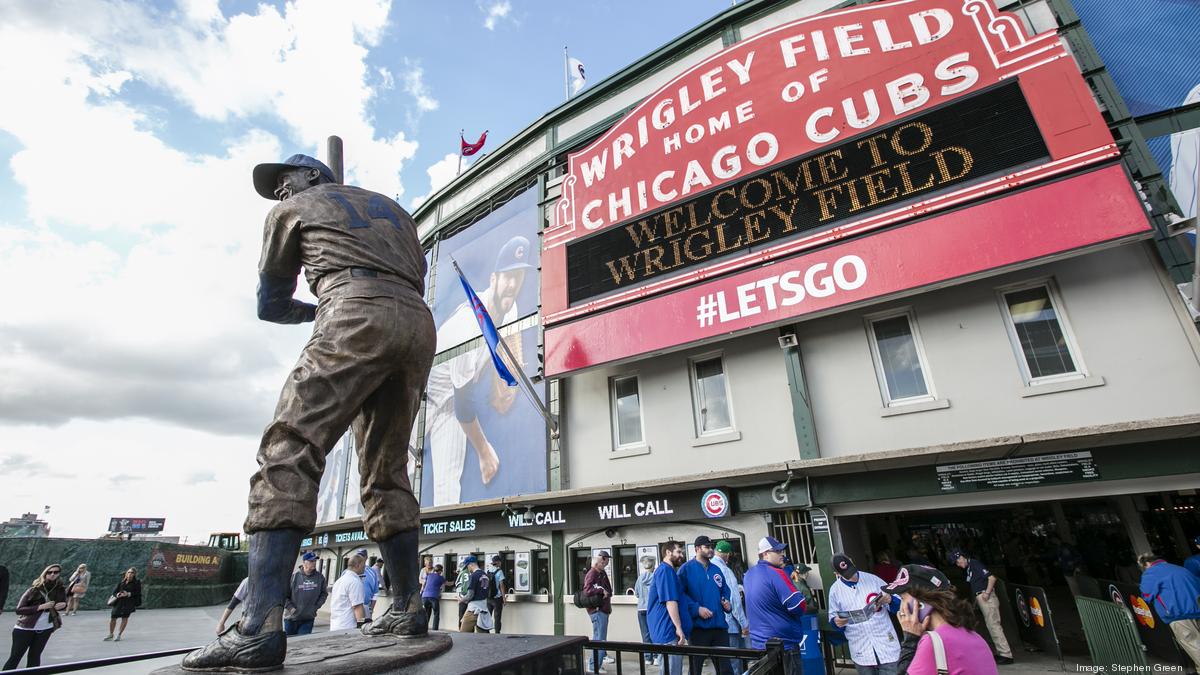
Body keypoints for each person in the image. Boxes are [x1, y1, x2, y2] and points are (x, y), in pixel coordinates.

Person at [182, 153, 435, 671]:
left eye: (285, 180)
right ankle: (409, 607)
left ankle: (256, 628)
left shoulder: (298, 206)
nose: (280, 191)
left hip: (352, 308)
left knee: (289, 447)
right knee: (386, 469)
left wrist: (317, 310)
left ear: (314, 177)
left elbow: (271, 302)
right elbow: (414, 276)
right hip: (415, 323)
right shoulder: (393, 210)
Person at [424, 235, 534, 506]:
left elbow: (509, 348)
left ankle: (440, 550)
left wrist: (509, 378)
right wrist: (485, 452)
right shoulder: (467, 326)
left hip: (451, 400)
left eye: (518, 277)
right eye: (507, 277)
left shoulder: (511, 307)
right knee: (392, 464)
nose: (512, 285)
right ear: (493, 279)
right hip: (421, 393)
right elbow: (464, 404)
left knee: (448, 489)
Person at [886, 564, 999, 675]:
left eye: (902, 598)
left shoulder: (933, 643)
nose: (901, 608)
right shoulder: (976, 637)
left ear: (921, 603)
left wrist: (910, 640)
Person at [744, 537, 809, 675]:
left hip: (759, 645)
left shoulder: (749, 574)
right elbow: (798, 606)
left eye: (782, 550)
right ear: (765, 554)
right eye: (777, 551)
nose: (782, 554)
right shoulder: (777, 573)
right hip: (784, 645)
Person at [827, 553, 901, 675]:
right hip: (861, 649)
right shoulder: (835, 591)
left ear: (852, 561)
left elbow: (898, 606)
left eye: (851, 571)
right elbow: (833, 619)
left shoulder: (874, 580)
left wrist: (890, 600)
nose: (852, 576)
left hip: (886, 644)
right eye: (847, 574)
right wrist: (837, 622)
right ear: (837, 574)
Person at [678, 536, 731, 675]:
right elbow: (680, 596)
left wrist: (726, 602)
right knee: (695, 669)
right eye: (707, 547)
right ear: (697, 549)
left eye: (711, 547)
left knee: (725, 669)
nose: (711, 550)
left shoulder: (716, 569)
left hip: (719, 627)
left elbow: (725, 589)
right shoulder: (685, 570)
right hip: (698, 629)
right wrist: (696, 609)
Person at [951, 551, 1014, 665]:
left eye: (957, 561)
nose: (957, 564)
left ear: (962, 557)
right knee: (991, 625)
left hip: (986, 596)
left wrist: (987, 593)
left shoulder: (974, 564)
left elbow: (991, 578)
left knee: (994, 624)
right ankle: (1002, 652)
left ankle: (1006, 654)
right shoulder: (969, 568)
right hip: (980, 597)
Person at [1138, 552, 1200, 668]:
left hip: (1178, 615)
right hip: (1197, 610)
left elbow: (1146, 595)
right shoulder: (1178, 568)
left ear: (1147, 563)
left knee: (1194, 645)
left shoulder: (1151, 572)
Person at [4, 564, 67, 670]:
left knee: (35, 658)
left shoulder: (60, 589)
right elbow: (19, 610)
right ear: (45, 573)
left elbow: (63, 603)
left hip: (45, 628)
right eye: (50, 572)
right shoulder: (34, 589)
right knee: (15, 657)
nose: (52, 574)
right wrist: (40, 607)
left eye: (56, 572)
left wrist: (63, 605)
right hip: (25, 628)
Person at [647, 542, 692, 675]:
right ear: (668, 552)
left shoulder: (669, 571)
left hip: (668, 629)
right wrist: (678, 627)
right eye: (678, 552)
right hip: (667, 630)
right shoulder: (665, 570)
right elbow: (670, 601)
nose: (681, 555)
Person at [712, 540, 750, 673]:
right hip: (730, 625)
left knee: (722, 662)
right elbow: (734, 600)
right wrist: (744, 623)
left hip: (714, 624)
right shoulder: (725, 570)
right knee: (735, 661)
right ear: (728, 555)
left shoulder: (708, 567)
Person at [584, 551, 614, 673]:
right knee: (600, 639)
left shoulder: (601, 573)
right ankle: (593, 666)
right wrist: (601, 591)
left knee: (600, 638)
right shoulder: (592, 573)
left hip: (603, 609)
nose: (607, 563)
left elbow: (609, 590)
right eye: (606, 560)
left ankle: (595, 663)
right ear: (602, 559)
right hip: (597, 610)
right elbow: (587, 590)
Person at [284, 552, 327, 636]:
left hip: (308, 618)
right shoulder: (294, 577)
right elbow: (284, 596)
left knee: (303, 642)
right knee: (290, 643)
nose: (314, 563)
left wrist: (316, 606)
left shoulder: (320, 577)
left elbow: (324, 594)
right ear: (304, 563)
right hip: (291, 619)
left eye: (315, 561)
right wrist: (291, 608)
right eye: (311, 561)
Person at [329, 553, 369, 631]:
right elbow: (357, 607)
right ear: (358, 565)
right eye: (364, 564)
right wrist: (361, 625)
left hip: (336, 625)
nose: (365, 567)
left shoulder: (339, 580)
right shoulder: (354, 582)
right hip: (348, 627)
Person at [105, 567, 142, 642]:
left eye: (132, 573)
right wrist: (118, 594)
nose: (130, 574)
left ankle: (119, 635)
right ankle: (111, 634)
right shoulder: (122, 582)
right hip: (119, 602)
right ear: (126, 573)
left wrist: (128, 594)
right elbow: (114, 592)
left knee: (124, 618)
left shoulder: (137, 582)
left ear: (134, 574)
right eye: (128, 572)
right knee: (113, 617)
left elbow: (138, 593)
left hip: (129, 603)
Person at [635, 555, 658, 666]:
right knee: (655, 632)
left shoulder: (639, 578)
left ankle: (648, 658)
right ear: (653, 565)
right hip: (652, 608)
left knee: (645, 635)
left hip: (641, 609)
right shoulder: (655, 577)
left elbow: (637, 594)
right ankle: (657, 656)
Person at [458, 556, 492, 633]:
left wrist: (462, 600)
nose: (467, 569)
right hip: (483, 608)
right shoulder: (485, 575)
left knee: (463, 634)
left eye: (467, 566)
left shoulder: (473, 576)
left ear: (471, 565)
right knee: (483, 636)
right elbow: (483, 590)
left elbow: (470, 594)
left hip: (473, 609)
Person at [488, 555, 508, 633]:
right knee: (497, 617)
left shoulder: (488, 571)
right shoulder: (499, 571)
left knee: (488, 616)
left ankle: (486, 632)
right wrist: (504, 598)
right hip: (497, 598)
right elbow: (501, 585)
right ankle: (497, 633)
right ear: (498, 562)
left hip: (489, 598)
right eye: (500, 562)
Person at [421, 564, 445, 630]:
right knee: (436, 614)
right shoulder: (441, 577)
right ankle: (435, 630)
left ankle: (423, 628)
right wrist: (454, 582)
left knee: (426, 614)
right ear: (440, 571)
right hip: (433, 597)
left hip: (424, 597)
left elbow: (424, 585)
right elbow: (447, 584)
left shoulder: (428, 576)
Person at [361, 552, 380, 620]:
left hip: (366, 607)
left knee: (363, 627)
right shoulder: (347, 572)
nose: (360, 558)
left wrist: (371, 609)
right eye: (358, 556)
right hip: (351, 608)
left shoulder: (372, 571)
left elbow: (376, 593)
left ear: (366, 558)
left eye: (362, 556)